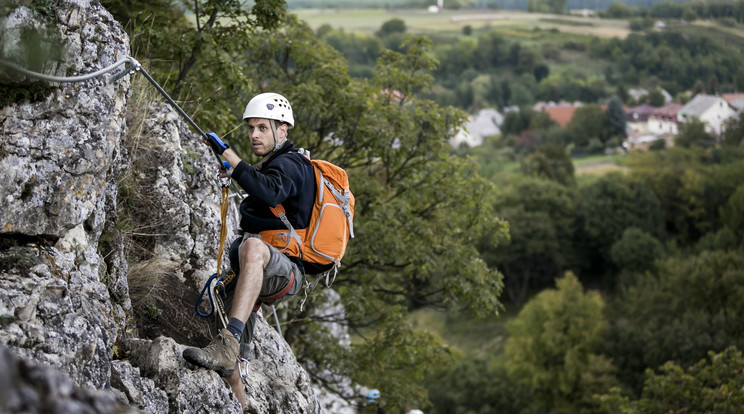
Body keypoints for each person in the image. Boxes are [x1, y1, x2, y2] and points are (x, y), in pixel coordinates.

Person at [182, 92, 323, 409]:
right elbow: (263, 189)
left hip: (284, 271)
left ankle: (229, 342)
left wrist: (232, 158)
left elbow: (271, 192)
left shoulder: (292, 164)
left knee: (254, 247)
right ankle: (241, 403)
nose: (254, 135)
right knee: (225, 363)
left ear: (282, 130)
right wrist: (235, 172)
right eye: (251, 128)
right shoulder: (273, 166)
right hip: (258, 269)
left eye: (262, 127)